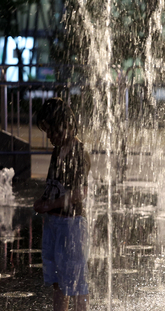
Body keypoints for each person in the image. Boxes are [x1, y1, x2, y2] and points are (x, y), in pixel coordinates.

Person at [33, 98, 91, 311]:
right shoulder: (57, 151)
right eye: (47, 132)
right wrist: (44, 200)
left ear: (66, 125)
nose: (49, 137)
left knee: (77, 281)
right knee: (58, 281)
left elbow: (80, 193)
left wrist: (50, 205)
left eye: (53, 132)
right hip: (54, 225)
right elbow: (56, 185)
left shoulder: (78, 152)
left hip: (71, 226)